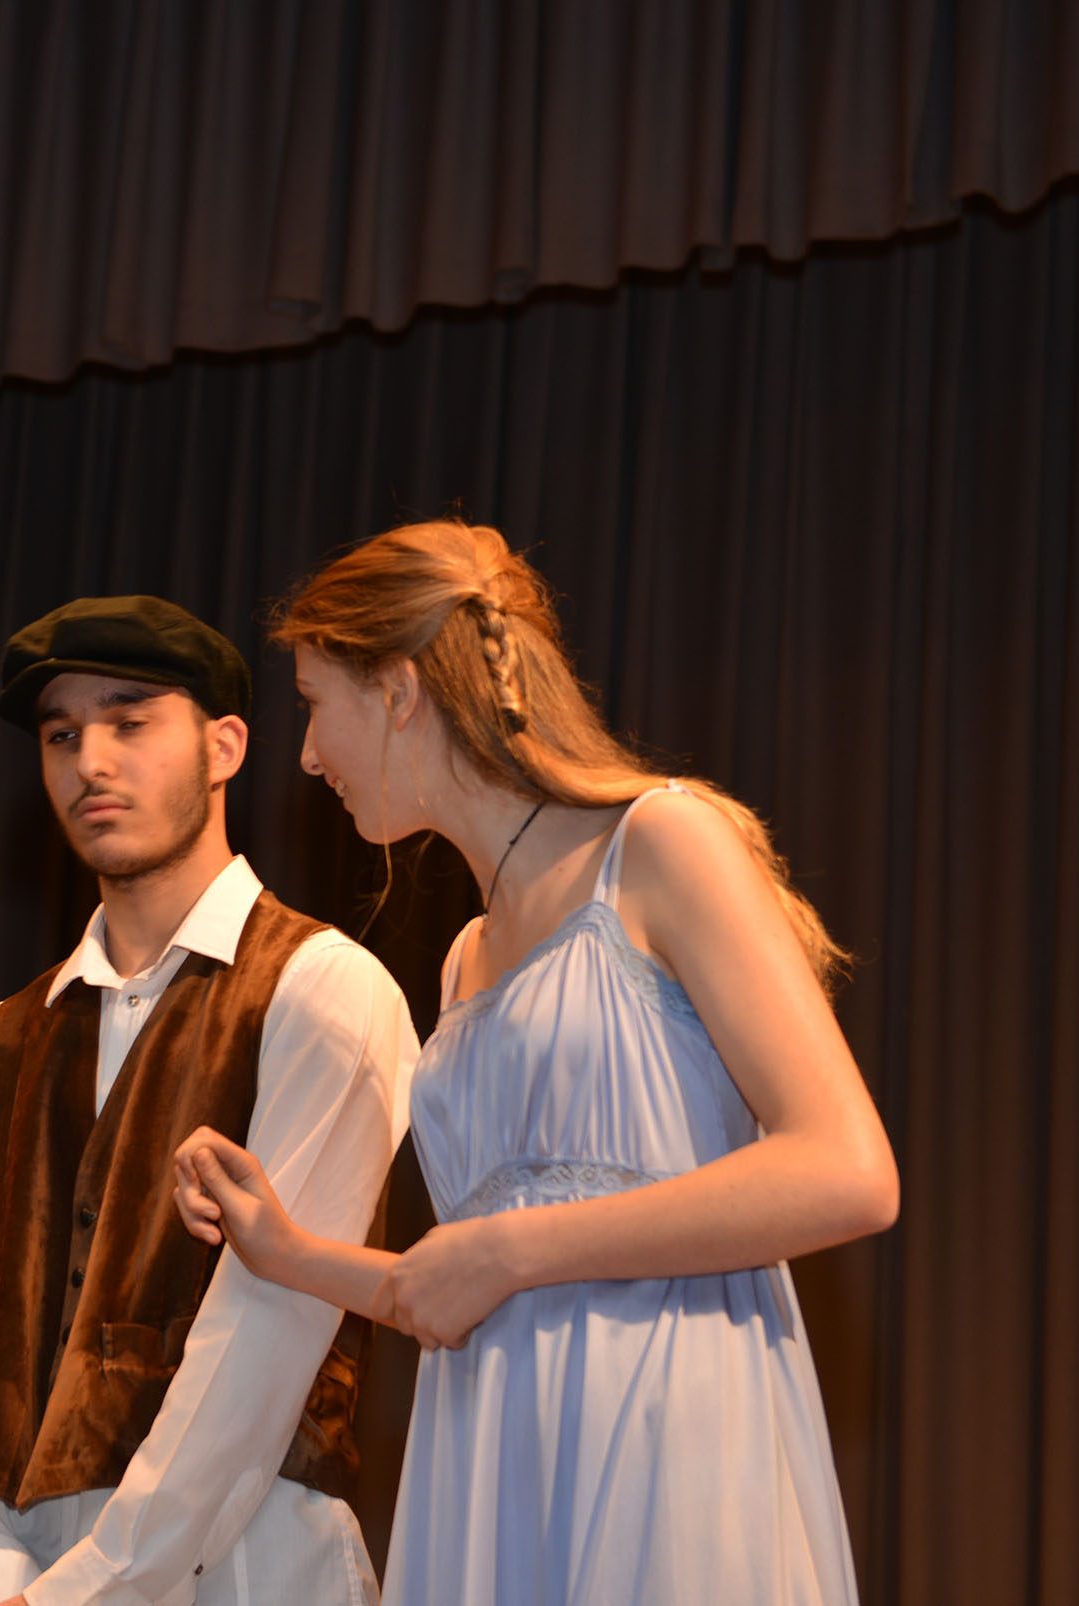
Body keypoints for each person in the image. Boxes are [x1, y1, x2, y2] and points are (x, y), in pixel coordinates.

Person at [172, 519, 901, 1603]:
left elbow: (847, 1170)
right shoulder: (466, 957)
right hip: (491, 1444)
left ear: (399, 691)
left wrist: (511, 1251)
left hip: (660, 1422)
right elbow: (453, 1282)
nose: (311, 756)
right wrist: (286, 1250)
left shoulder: (659, 843)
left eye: (317, 705)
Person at [0, 595, 419, 1606]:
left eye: (129, 722)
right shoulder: (0, 1041)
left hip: (248, 1566)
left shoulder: (320, 990)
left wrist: (88, 1590)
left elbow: (265, 1340)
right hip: (14, 1565)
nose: (90, 761)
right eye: (61, 735)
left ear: (225, 747)